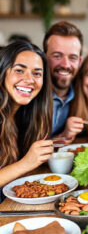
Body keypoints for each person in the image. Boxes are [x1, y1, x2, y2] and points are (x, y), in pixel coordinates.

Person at [0, 41, 53, 201]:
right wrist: (26, 163)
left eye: (37, 73)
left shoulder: (25, 114)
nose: (29, 80)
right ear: (2, 72)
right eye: (19, 70)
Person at [43, 21, 83, 136]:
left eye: (72, 57)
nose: (65, 65)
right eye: (57, 56)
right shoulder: (29, 93)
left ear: (79, 62)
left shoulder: (83, 92)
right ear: (44, 57)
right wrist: (63, 136)